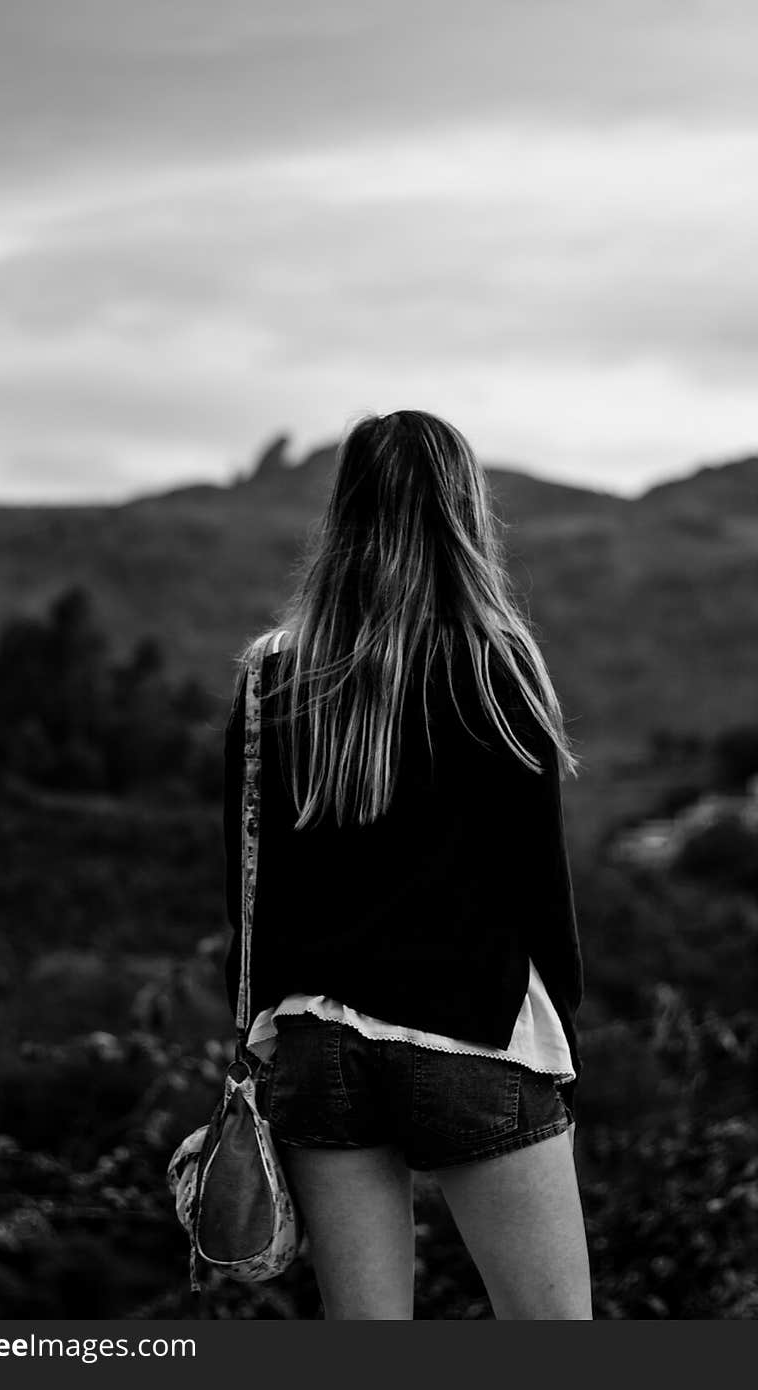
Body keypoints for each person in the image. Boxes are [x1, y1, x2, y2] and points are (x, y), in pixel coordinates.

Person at [222, 410, 592, 1320]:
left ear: (344, 514)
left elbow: (245, 883)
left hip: (318, 1042)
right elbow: (539, 884)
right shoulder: (495, 662)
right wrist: (568, 1029)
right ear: (464, 512)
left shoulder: (273, 674)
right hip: (466, 1030)